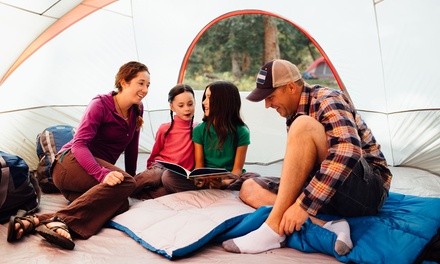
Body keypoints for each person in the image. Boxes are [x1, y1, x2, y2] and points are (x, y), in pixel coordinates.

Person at [222, 59, 392, 255]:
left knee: (303, 124)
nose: (267, 105)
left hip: (367, 192)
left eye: (270, 96)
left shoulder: (328, 98)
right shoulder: (293, 112)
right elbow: (302, 167)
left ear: (291, 88)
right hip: (332, 189)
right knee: (249, 187)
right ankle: (328, 224)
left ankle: (273, 229)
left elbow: (348, 151)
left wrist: (303, 205)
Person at [6, 61, 150, 250]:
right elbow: (79, 145)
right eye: (141, 83)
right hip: (68, 164)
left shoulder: (136, 109)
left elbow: (132, 147)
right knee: (125, 183)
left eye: (148, 85)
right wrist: (103, 174)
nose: (145, 89)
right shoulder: (100, 105)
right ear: (124, 82)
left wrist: (132, 180)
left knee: (121, 203)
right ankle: (61, 221)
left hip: (86, 179)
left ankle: (35, 220)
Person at [162, 80, 259, 192]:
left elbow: (237, 170)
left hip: (229, 179)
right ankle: (210, 189)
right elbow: (199, 166)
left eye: (208, 97)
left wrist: (223, 183)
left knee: (253, 178)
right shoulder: (199, 130)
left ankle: (215, 190)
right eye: (205, 97)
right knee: (168, 176)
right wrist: (202, 179)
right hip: (206, 179)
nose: (204, 102)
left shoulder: (242, 131)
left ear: (223, 102)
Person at [131, 84, 196, 199]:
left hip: (178, 175)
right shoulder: (164, 128)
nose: (187, 108)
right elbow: (155, 153)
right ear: (172, 107)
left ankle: (142, 191)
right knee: (153, 176)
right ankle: (122, 189)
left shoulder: (198, 130)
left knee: (164, 192)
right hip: (160, 167)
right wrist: (149, 169)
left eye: (190, 104)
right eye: (181, 105)